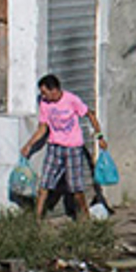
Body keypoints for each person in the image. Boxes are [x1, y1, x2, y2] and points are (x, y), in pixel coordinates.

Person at [21, 74, 102, 222]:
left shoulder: (71, 100)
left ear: (54, 90)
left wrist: (99, 136)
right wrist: (29, 145)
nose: (43, 96)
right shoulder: (45, 104)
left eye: (45, 93)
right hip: (54, 147)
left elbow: (90, 114)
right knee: (44, 185)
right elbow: (43, 127)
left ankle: (85, 218)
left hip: (73, 148)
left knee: (76, 189)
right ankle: (37, 220)